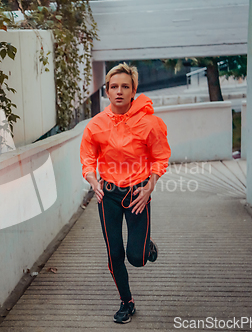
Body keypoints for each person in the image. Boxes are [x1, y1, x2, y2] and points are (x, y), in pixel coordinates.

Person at [80, 63, 171, 324]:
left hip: (136, 194)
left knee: (136, 257)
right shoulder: (95, 125)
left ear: (134, 91)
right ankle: (126, 302)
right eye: (114, 87)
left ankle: (147, 249)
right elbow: (87, 157)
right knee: (115, 254)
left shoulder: (149, 123)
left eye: (125, 87)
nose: (119, 91)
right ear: (107, 91)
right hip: (107, 195)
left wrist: (150, 185)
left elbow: (160, 157)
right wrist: (92, 178)